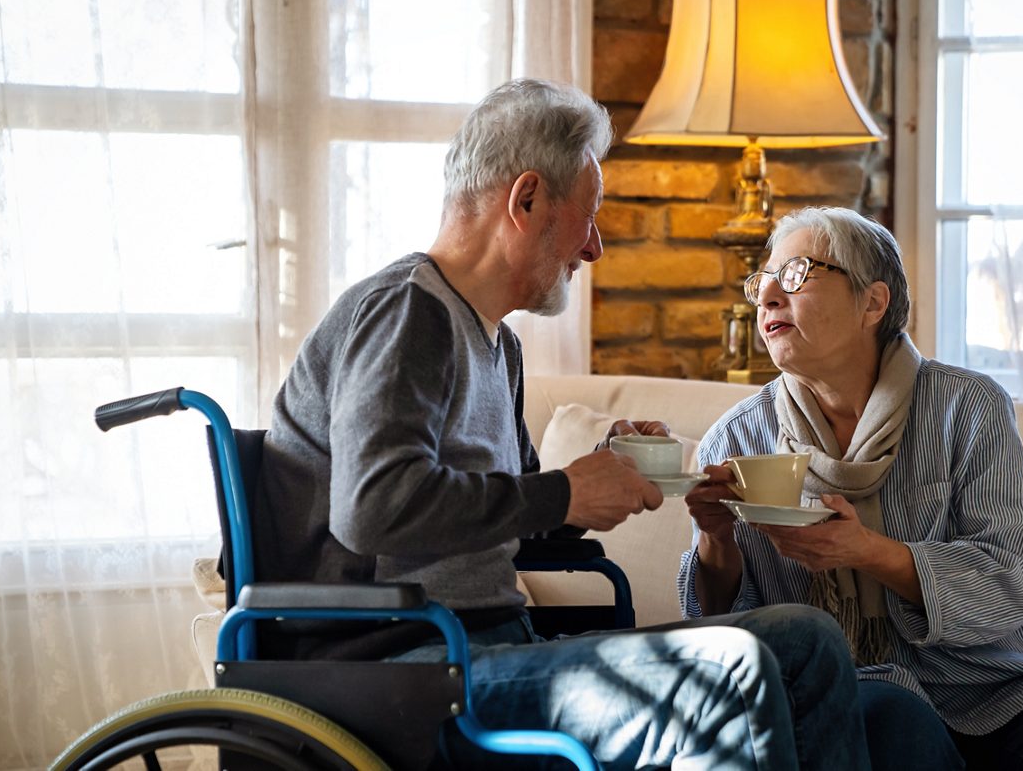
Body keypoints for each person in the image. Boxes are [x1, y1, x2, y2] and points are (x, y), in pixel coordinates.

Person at [252, 78, 871, 769]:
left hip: (490, 649)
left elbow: (513, 515)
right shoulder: (407, 315)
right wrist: (565, 492)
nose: (595, 247)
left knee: (808, 643)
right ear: (526, 201)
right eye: (590, 215)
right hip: (404, 669)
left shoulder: (497, 344)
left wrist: (598, 476)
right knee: (730, 670)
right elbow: (372, 508)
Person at [678, 206, 1023, 770]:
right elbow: (727, 636)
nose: (768, 298)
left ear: (872, 303)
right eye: (763, 282)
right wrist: (717, 539)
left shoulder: (968, 407)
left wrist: (872, 553)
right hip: (853, 682)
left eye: (798, 274)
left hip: (993, 679)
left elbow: (1016, 570)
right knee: (886, 720)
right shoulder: (734, 438)